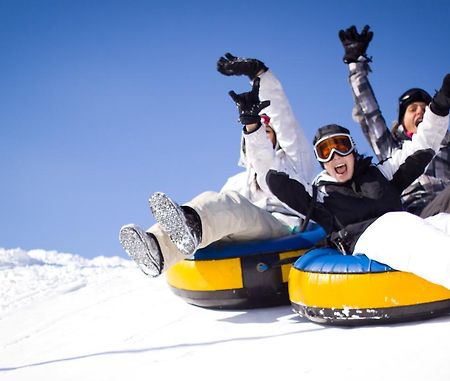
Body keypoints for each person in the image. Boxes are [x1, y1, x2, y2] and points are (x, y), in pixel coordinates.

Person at [119, 54, 316, 277]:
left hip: (282, 228)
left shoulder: (294, 162)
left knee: (228, 205)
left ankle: (187, 229)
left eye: (267, 133)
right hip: (244, 231)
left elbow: (283, 118)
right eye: (259, 133)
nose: (263, 137)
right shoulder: (237, 181)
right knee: (212, 202)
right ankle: (155, 247)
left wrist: (260, 75)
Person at [264, 76, 450, 289]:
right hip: (372, 236)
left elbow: (422, 147)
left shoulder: (382, 172)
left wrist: (439, 107)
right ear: (321, 162)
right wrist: (256, 132)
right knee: (400, 225)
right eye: (325, 152)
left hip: (407, 224)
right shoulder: (319, 194)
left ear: (352, 150)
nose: (335, 156)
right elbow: (274, 175)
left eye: (341, 146)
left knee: (444, 221)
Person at [338, 25, 450, 218]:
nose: (420, 113)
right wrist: (356, 64)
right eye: (413, 109)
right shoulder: (391, 148)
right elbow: (369, 112)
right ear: (402, 121)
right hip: (417, 212)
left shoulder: (446, 147)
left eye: (425, 109)